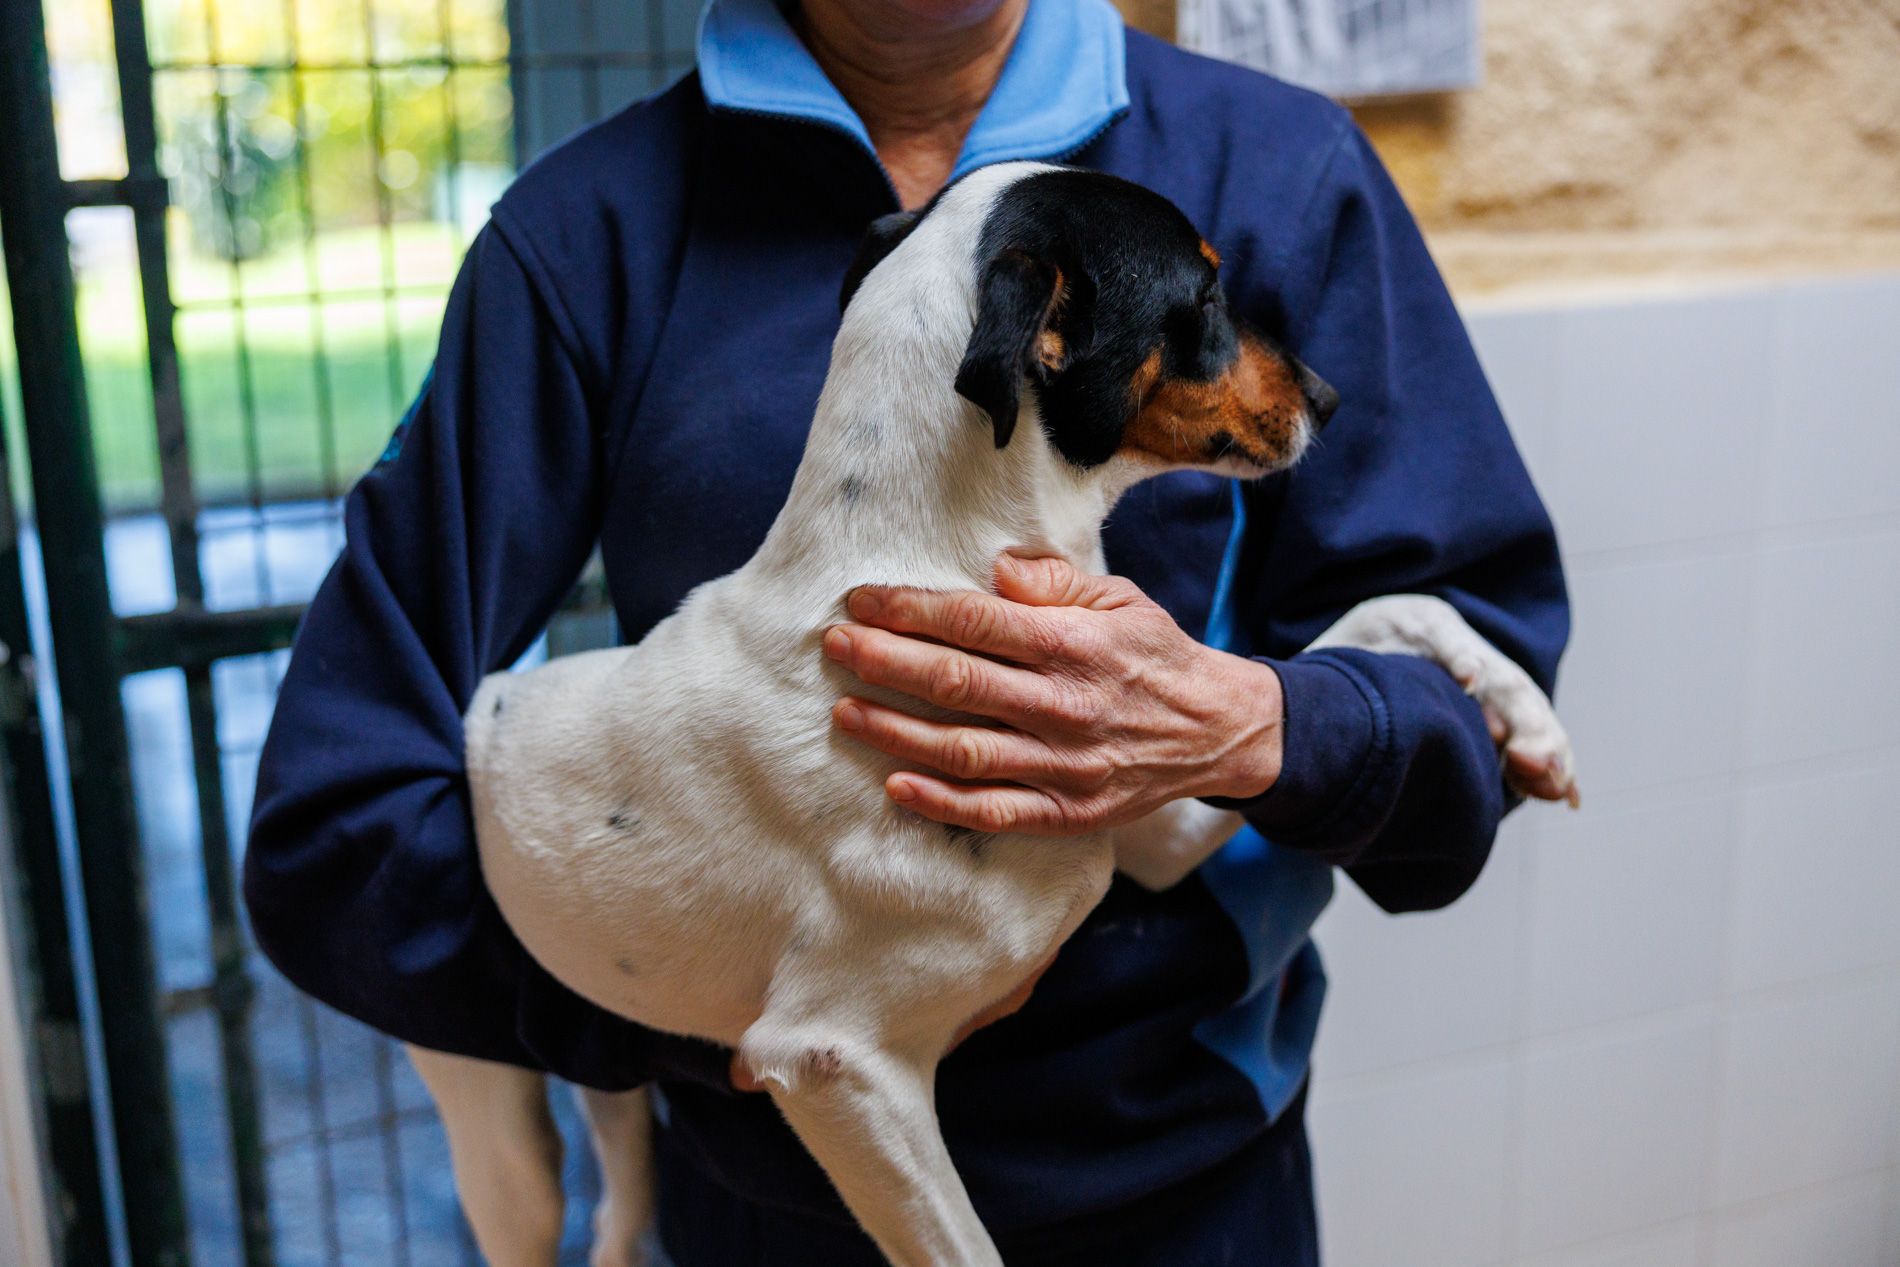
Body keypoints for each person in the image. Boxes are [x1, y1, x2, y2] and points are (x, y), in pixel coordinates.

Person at [243, 0, 1569, 1262]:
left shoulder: (1279, 171)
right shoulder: (588, 240)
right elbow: (333, 831)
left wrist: (1254, 725)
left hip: (1193, 1195)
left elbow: (1460, 763)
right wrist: (693, 1003)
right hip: (769, 1203)